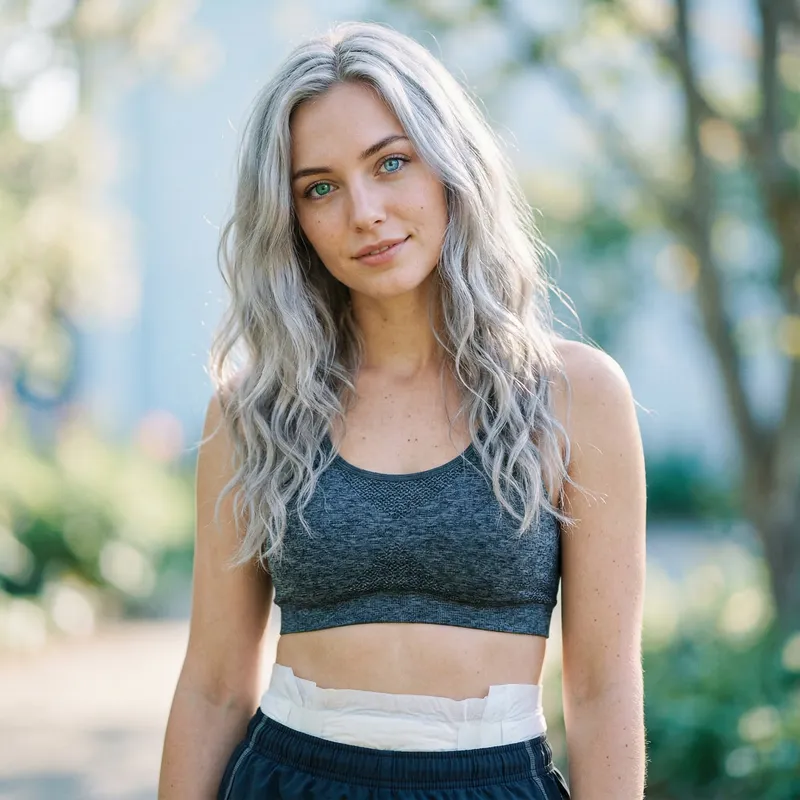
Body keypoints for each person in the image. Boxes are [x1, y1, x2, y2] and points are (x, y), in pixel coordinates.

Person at [158, 20, 646, 800]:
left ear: (451, 165)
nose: (365, 211)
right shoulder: (254, 410)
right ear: (292, 219)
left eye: (391, 162)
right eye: (319, 187)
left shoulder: (574, 395)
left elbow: (603, 688)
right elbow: (214, 687)